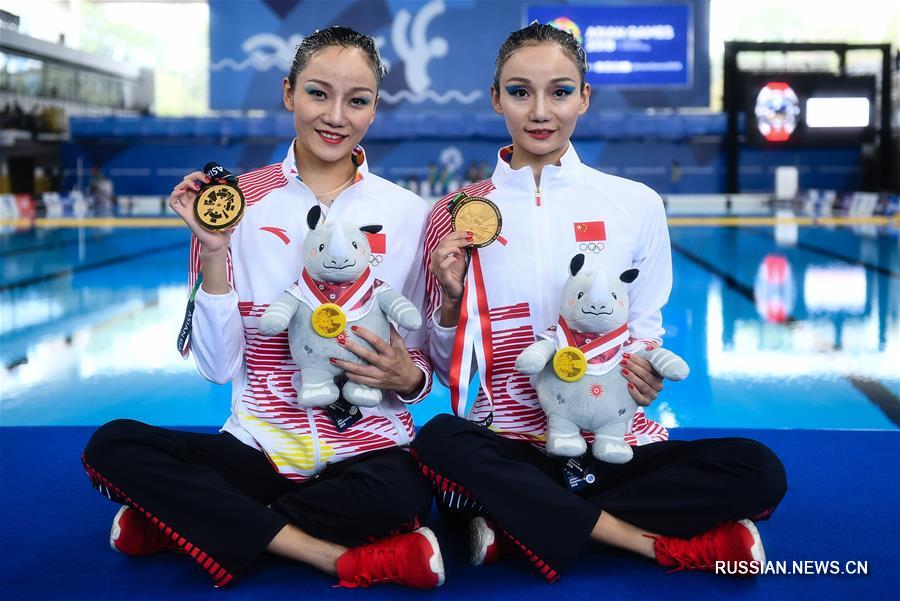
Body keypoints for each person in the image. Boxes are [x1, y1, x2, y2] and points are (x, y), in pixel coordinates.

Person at [413, 23, 787, 582]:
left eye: (560, 91)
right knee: (439, 442)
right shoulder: (457, 213)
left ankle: (525, 524)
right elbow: (447, 371)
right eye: (520, 92)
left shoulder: (634, 204)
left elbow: (644, 327)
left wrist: (642, 372)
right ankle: (650, 542)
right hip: (515, 447)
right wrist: (449, 302)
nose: (541, 111)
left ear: (584, 97)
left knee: (758, 467)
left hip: (614, 445)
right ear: (496, 99)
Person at [82, 27, 444, 590]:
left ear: (375, 108)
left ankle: (190, 522)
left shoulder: (408, 214)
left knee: (407, 492)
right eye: (318, 93)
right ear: (288, 93)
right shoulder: (233, 206)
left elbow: (421, 373)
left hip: (367, 447)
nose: (336, 116)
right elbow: (218, 368)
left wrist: (409, 377)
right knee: (113, 445)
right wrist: (214, 252)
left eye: (358, 100)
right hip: (259, 447)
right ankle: (330, 556)